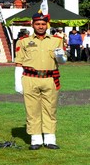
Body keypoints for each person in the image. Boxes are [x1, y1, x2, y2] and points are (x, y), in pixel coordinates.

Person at [15, 10, 66, 150]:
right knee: (32, 109)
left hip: (50, 78)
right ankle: (36, 139)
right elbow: (19, 62)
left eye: (43, 24)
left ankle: (50, 138)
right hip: (30, 78)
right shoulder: (24, 41)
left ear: (47, 25)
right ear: (32, 24)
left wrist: (60, 56)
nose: (41, 26)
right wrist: (17, 82)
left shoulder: (57, 40)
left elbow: (62, 61)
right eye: (37, 24)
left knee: (50, 109)